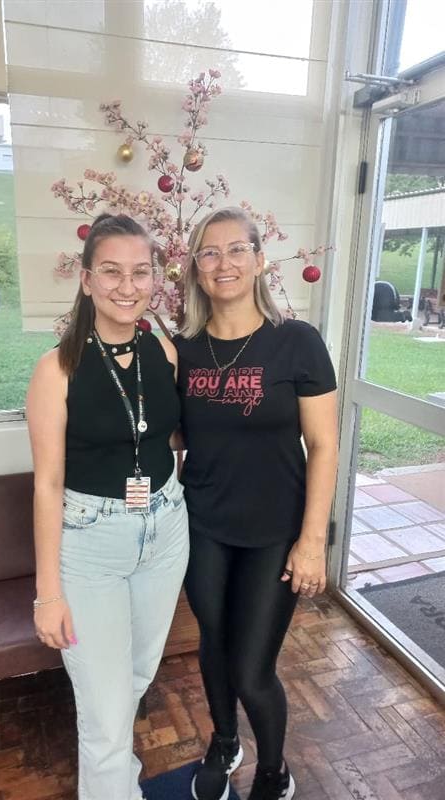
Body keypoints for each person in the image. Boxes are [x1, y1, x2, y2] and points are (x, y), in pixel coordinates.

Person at [174, 207, 338, 800]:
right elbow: (172, 435)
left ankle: (274, 771)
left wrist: (312, 540)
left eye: (237, 249)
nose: (224, 263)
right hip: (203, 524)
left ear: (259, 260)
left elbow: (324, 446)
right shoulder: (182, 349)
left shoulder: (297, 342)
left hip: (276, 530)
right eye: (210, 252)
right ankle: (225, 741)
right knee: (213, 645)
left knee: (250, 668)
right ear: (196, 267)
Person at [26, 213, 189, 800]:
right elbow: (48, 484)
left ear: (155, 279)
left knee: (135, 678)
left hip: (166, 530)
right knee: (104, 709)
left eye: (141, 272)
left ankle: (119, 777)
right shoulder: (57, 370)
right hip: (91, 542)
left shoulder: (163, 352)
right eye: (112, 272)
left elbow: (170, 439)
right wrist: (48, 594)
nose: (127, 286)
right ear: (87, 279)